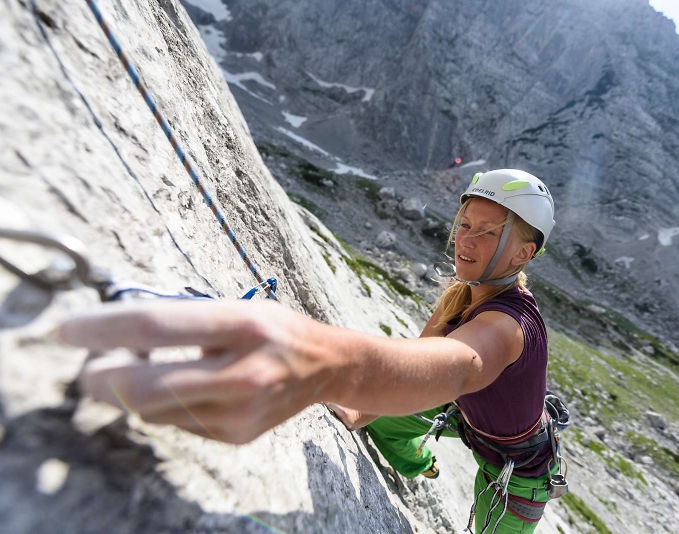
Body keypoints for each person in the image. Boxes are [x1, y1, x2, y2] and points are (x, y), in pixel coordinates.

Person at [59, 169, 561, 533]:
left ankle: (420, 458)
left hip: (515, 475)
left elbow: (460, 366)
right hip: (468, 416)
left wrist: (314, 360)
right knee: (380, 415)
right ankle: (421, 464)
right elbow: (423, 357)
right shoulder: (464, 296)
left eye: (489, 232)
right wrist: (359, 405)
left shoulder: (506, 326)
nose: (466, 241)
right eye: (466, 225)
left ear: (523, 254)